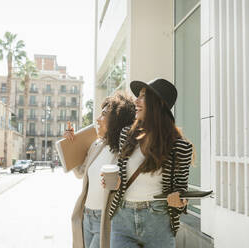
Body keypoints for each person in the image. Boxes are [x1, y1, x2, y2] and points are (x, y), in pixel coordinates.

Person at [106, 78, 194, 248]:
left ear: (157, 105)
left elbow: (182, 192)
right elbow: (121, 178)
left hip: (158, 222)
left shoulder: (180, 147)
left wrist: (180, 201)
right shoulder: (126, 134)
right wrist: (114, 183)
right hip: (122, 220)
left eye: (143, 97)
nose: (136, 101)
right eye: (137, 96)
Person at [64, 92, 136, 248]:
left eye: (104, 115)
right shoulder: (97, 145)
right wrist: (70, 144)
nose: (97, 119)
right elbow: (80, 172)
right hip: (86, 215)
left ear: (117, 120)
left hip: (105, 220)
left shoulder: (125, 152)